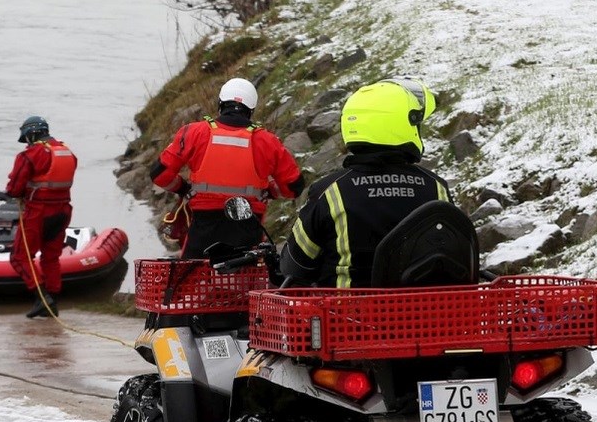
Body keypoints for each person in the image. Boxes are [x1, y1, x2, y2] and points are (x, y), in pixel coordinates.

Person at [282, 78, 455, 288]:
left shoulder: (329, 191)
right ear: (399, 125)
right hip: (423, 317)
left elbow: (295, 263)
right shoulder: (437, 188)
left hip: (347, 318)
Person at [150, 77, 304, 259]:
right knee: (245, 282)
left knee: (192, 281)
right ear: (251, 110)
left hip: (203, 229)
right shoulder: (267, 142)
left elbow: (160, 174)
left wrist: (183, 189)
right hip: (247, 228)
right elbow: (293, 187)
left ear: (220, 104)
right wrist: (268, 192)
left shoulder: (194, 132)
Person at [4, 115, 76, 318]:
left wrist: (11, 193)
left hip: (38, 212)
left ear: (31, 134)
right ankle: (53, 302)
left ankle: (43, 298)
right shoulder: (67, 151)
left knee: (19, 257)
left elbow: (15, 187)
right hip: (63, 211)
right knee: (51, 258)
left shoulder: (30, 154)